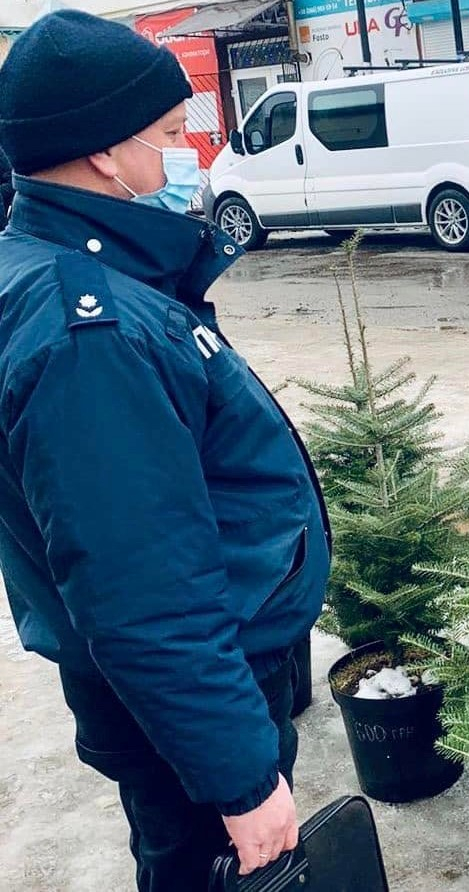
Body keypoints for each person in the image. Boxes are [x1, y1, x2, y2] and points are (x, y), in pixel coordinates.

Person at [0, 11, 331, 890]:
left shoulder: (65, 269)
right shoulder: (91, 337)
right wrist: (241, 780)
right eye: (174, 134)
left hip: (177, 697)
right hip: (189, 703)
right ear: (106, 154)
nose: (188, 155)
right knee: (204, 869)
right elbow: (142, 592)